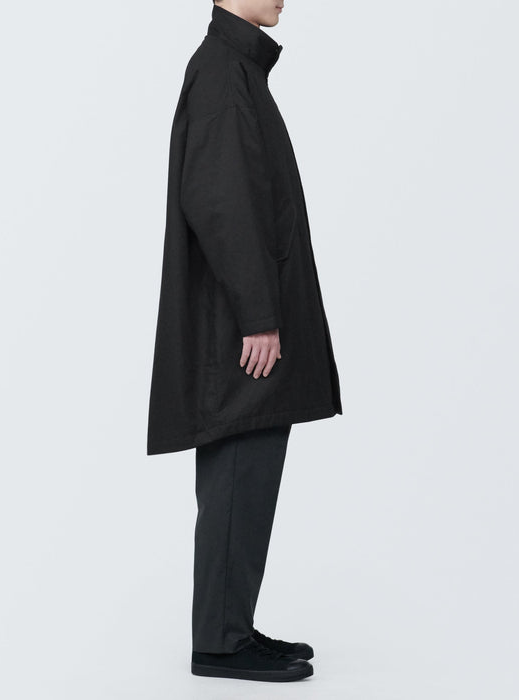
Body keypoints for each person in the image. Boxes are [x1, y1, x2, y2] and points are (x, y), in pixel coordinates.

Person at [146, 0, 343, 682]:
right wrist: (259, 314)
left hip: (243, 321)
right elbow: (219, 200)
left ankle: (230, 626)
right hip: (239, 330)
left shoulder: (234, 68)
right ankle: (221, 643)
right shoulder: (222, 72)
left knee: (250, 470)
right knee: (240, 464)